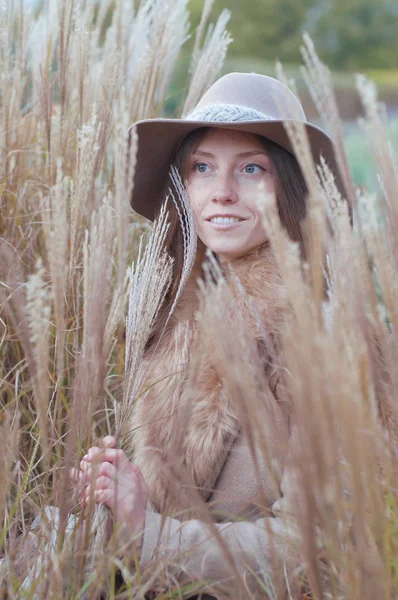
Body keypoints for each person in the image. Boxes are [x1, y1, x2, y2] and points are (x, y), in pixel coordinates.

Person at [70, 72, 343, 599]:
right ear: (184, 186)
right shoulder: (174, 317)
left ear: (289, 184)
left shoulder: (325, 336)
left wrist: (149, 533)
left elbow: (317, 548)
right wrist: (128, 499)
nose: (221, 193)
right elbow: (189, 500)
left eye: (250, 168)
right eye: (201, 167)